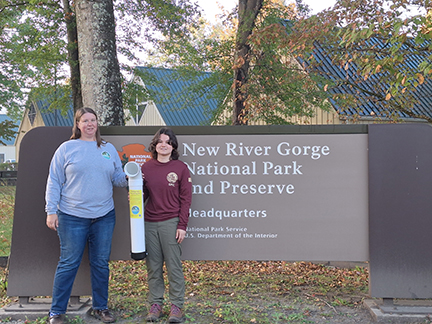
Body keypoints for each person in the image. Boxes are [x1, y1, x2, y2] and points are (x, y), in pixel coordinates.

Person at [45, 107, 127, 324]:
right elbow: (54, 181)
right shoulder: (66, 148)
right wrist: (51, 211)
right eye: (85, 120)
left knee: (101, 263)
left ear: (97, 123)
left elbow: (117, 177)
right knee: (69, 263)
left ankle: (101, 308)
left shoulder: (108, 148)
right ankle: (56, 312)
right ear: (78, 125)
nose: (90, 124)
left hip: (104, 216)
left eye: (93, 120)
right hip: (72, 216)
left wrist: (132, 178)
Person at [141, 127, 192, 323]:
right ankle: (155, 305)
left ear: (173, 147)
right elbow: (144, 196)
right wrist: (134, 196)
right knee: (153, 267)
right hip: (150, 223)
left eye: (168, 142)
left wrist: (182, 225)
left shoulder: (180, 168)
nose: (164, 145)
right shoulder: (145, 168)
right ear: (155, 145)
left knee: (173, 266)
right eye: (161, 141)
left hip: (171, 222)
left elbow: (186, 200)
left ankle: (177, 306)